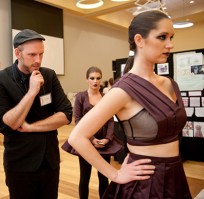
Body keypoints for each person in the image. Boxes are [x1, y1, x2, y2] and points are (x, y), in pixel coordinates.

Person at [68, 10, 192, 199]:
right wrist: (114, 173)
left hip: (176, 174)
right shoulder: (123, 90)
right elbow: (77, 137)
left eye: (171, 37)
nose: (170, 44)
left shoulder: (169, 83)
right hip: (145, 181)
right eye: (162, 37)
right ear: (139, 40)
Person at [0, 29, 73, 199]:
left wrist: (31, 127)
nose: (38, 60)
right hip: (19, 164)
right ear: (17, 53)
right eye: (32, 54)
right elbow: (5, 124)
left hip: (49, 162)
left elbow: (66, 114)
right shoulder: (0, 79)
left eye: (41, 54)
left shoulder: (49, 75)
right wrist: (31, 93)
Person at [75, 67, 114, 199]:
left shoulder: (106, 97)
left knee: (104, 177)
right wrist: (91, 139)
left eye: (98, 78)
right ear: (87, 80)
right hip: (85, 142)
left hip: (103, 143)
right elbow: (78, 120)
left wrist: (107, 139)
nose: (95, 81)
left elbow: (110, 120)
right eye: (92, 78)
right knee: (84, 177)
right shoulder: (80, 97)